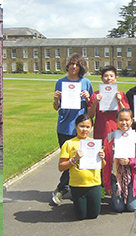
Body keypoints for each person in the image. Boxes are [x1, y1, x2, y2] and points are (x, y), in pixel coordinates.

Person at [51, 54, 93, 206]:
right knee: (67, 158)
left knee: (81, 157)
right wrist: (56, 100)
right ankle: (64, 187)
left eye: (77, 64)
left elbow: (91, 106)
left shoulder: (86, 82)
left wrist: (88, 98)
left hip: (81, 127)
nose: (74, 67)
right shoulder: (60, 82)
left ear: (81, 67)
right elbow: (56, 107)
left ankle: (68, 187)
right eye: (71, 64)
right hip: (64, 125)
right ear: (67, 65)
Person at [56, 114, 104, 220]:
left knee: (93, 215)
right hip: (77, 184)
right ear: (75, 126)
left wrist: (102, 158)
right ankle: (77, 205)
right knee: (81, 216)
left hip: (94, 183)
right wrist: (74, 159)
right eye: (81, 126)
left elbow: (102, 166)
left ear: (91, 128)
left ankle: (82, 204)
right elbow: (61, 167)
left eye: (88, 127)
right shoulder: (69, 144)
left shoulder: (95, 143)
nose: (84, 129)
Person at [102, 109, 136, 213]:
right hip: (116, 176)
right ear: (116, 121)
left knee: (132, 208)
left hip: (132, 177)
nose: (124, 123)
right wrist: (107, 184)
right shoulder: (110, 138)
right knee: (119, 208)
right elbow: (107, 163)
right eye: (121, 120)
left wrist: (130, 162)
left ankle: (135, 197)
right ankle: (118, 195)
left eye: (127, 120)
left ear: (132, 121)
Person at [90, 66, 130, 143]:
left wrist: (119, 101)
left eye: (111, 76)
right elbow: (91, 115)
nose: (109, 78)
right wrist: (95, 101)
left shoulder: (121, 94)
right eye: (106, 76)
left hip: (118, 131)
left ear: (115, 79)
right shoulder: (96, 95)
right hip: (100, 132)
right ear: (101, 79)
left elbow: (127, 114)